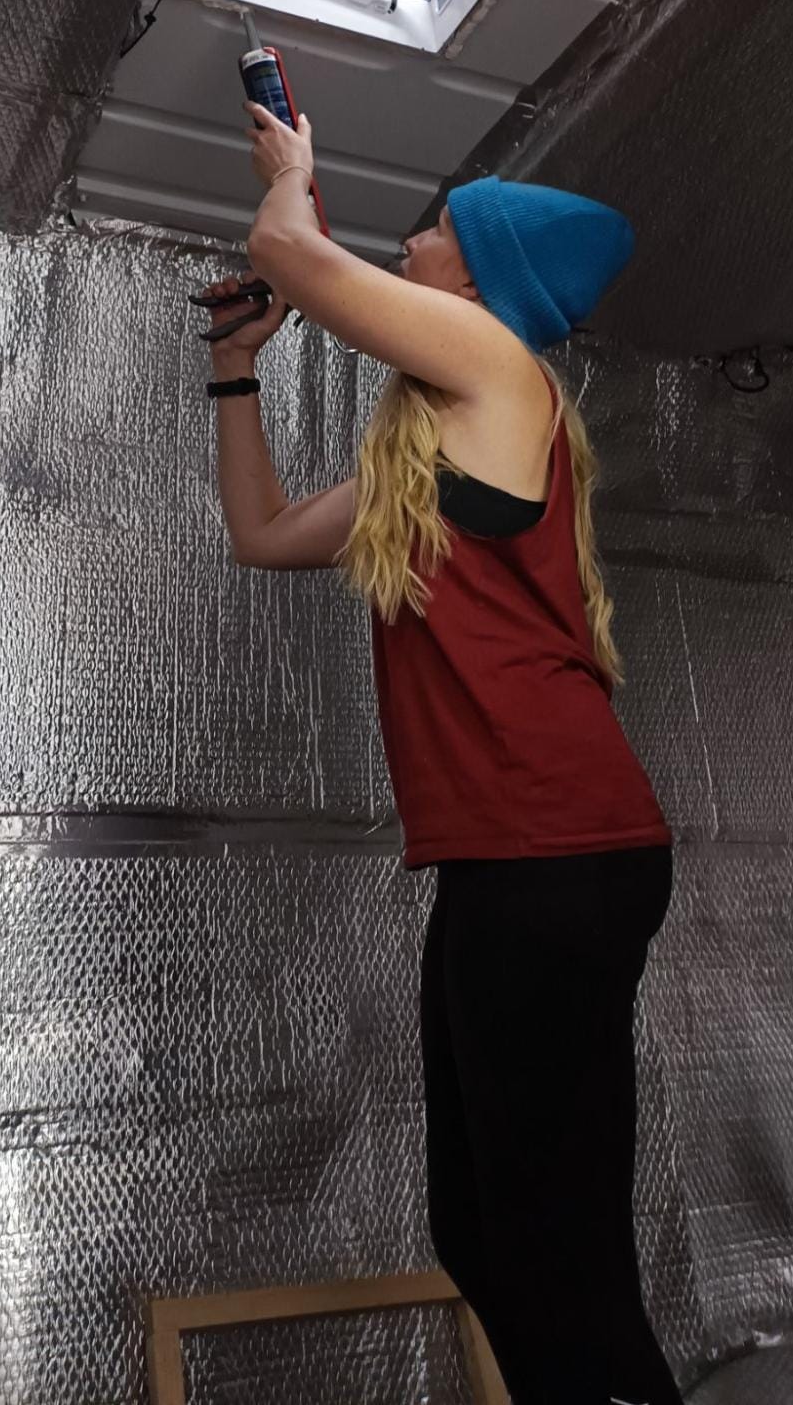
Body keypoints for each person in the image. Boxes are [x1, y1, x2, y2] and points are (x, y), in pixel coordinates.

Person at [199, 97, 684, 1405]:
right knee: (482, 1232)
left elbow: (298, 257)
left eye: (431, 230)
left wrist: (292, 171)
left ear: (478, 273)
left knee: (553, 1244)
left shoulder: (495, 367)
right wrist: (236, 370)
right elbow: (264, 532)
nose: (413, 240)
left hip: (556, 849)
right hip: (510, 862)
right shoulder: (434, 446)